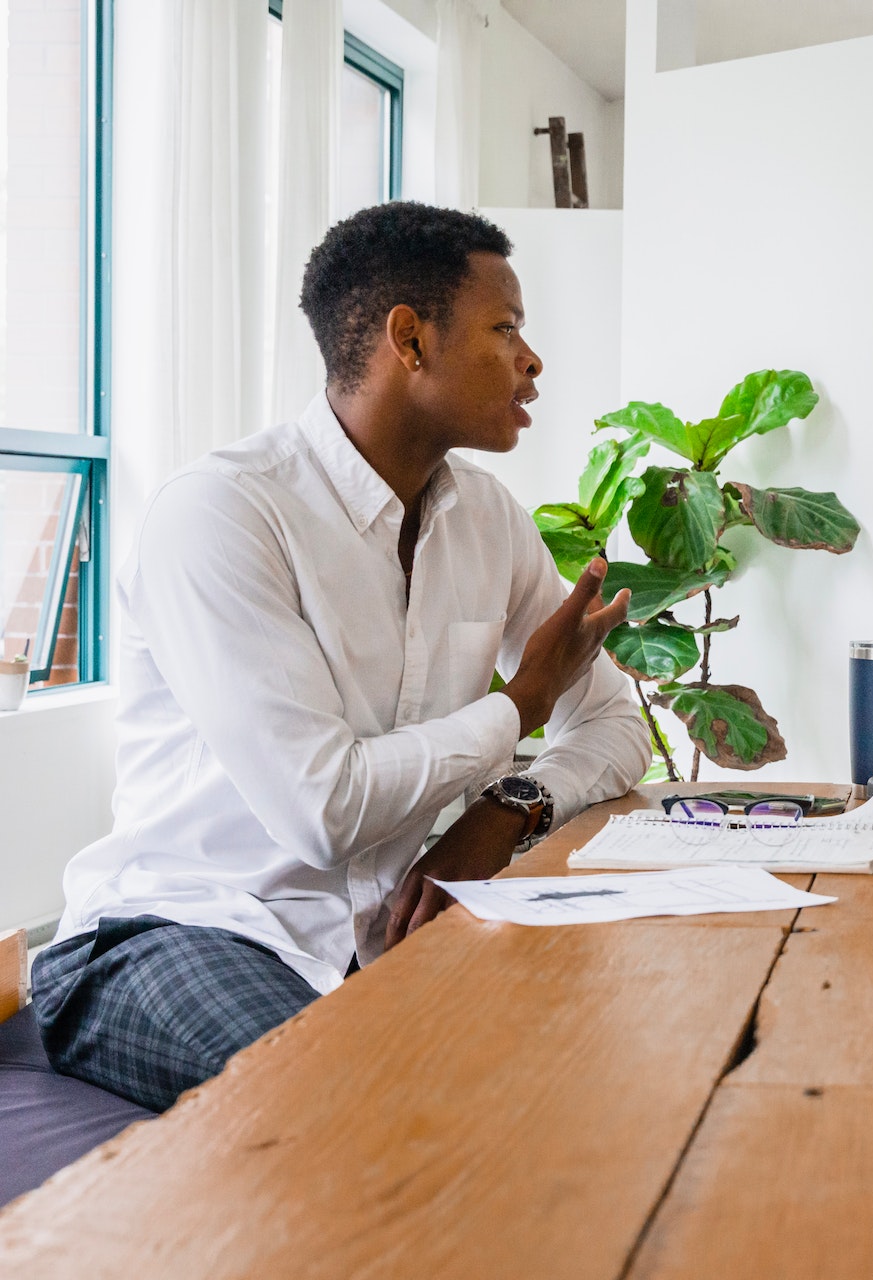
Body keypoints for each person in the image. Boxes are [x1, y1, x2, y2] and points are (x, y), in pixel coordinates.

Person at [32, 203, 649, 1110]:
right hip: (180, 928)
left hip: (372, 936)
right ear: (410, 340)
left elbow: (617, 724)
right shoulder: (223, 513)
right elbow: (323, 810)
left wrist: (507, 808)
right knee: (355, 1103)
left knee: (592, 1058)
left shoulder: (487, 520)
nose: (531, 360)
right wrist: (521, 705)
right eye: (505, 328)